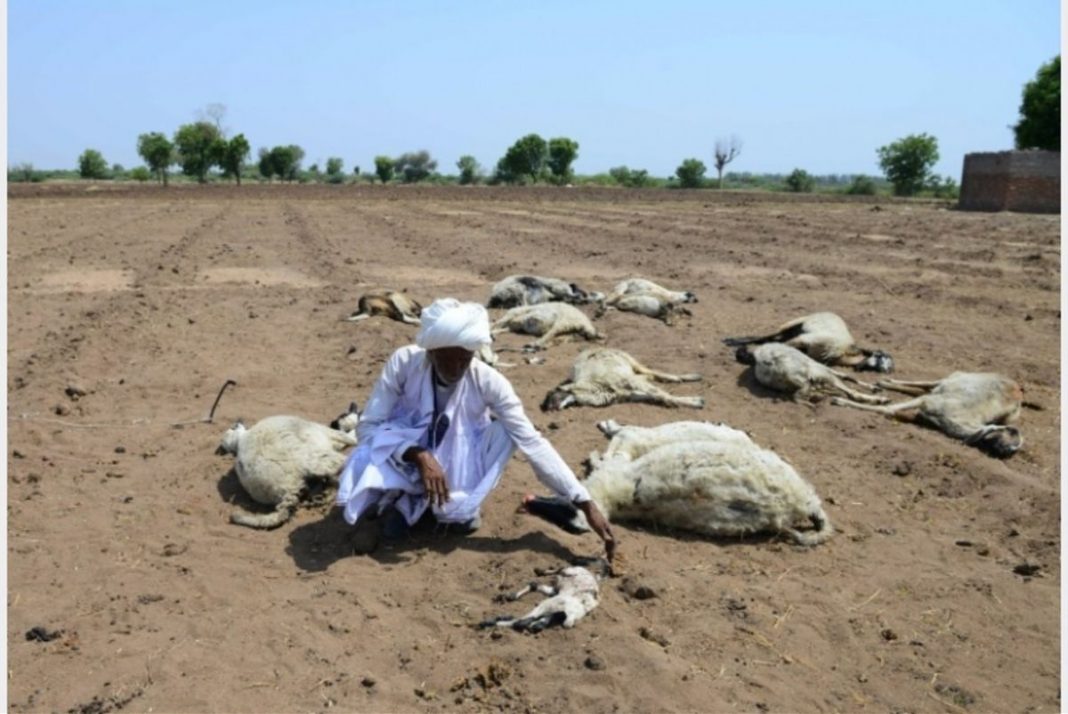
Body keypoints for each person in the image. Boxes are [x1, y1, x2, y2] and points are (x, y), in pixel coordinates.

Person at [336, 297, 615, 559]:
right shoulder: (404, 363)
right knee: (364, 456)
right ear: (431, 351)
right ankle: (404, 502)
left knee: (508, 433)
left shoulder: (489, 380)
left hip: (457, 460)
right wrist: (416, 454)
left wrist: (585, 502)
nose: (457, 367)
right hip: (404, 459)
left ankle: (447, 507)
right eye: (448, 358)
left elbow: (534, 443)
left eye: (464, 359)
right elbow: (368, 428)